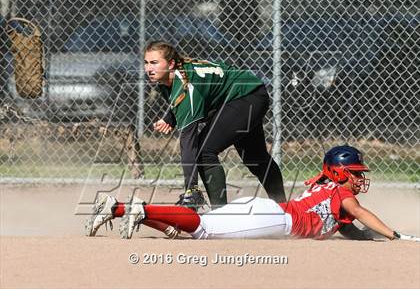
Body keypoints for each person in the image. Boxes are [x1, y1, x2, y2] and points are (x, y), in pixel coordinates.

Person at [85, 145, 419, 241]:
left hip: (263, 211)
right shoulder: (341, 196)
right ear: (337, 172)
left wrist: (371, 239)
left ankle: (116, 208)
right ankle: (139, 209)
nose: (359, 180)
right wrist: (394, 236)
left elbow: (349, 227)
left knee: (185, 230)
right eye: (355, 174)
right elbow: (357, 212)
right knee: (200, 229)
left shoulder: (326, 190)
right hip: (272, 219)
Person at [145, 40, 286, 209]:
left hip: (245, 97)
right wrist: (170, 117)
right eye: (146, 63)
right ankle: (284, 209)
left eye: (154, 62)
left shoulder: (185, 85)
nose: (149, 68)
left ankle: (220, 214)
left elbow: (188, 141)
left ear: (171, 63)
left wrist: (191, 189)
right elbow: (187, 99)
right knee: (255, 158)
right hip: (248, 93)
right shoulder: (171, 79)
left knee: (204, 151)